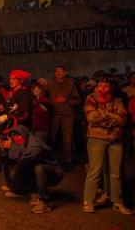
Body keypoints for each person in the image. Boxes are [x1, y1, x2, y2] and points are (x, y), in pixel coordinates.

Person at [82, 77, 133, 215]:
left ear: (111, 87)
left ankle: (117, 201)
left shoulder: (117, 100)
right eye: (100, 85)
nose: (103, 88)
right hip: (97, 138)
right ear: (97, 87)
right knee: (95, 170)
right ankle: (88, 201)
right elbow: (92, 117)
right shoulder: (91, 99)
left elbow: (123, 118)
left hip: (115, 139)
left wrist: (107, 116)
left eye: (106, 85)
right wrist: (113, 118)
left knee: (115, 172)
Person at [0, 124, 64, 214]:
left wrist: (11, 147)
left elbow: (25, 159)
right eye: (14, 137)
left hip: (53, 173)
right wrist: (3, 149)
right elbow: (13, 160)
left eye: (18, 136)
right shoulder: (21, 143)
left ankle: (45, 202)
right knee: (15, 169)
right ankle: (24, 191)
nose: (15, 138)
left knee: (39, 168)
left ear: (24, 135)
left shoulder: (34, 146)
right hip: (31, 166)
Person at [46, 65, 81, 166]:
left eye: (60, 71)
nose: (58, 73)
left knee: (67, 139)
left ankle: (66, 160)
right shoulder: (50, 85)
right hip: (54, 115)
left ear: (65, 73)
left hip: (67, 115)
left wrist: (66, 100)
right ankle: (50, 159)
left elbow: (77, 101)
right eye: (56, 71)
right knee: (51, 137)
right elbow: (45, 99)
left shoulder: (70, 85)